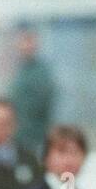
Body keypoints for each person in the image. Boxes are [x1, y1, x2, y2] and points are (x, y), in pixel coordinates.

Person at [9, 25, 56, 155]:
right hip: (16, 135)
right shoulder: (20, 69)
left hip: (34, 136)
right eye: (22, 42)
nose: (25, 46)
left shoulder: (41, 72)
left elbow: (43, 103)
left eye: (28, 41)